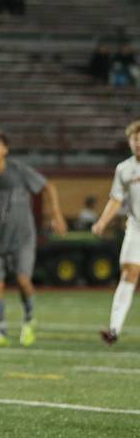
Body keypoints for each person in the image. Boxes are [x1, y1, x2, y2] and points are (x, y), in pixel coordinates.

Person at [0, 131, 67, 348]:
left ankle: (29, 320)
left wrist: (56, 216)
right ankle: (1, 331)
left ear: (5, 150)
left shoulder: (18, 170)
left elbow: (48, 186)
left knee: (22, 280)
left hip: (23, 238)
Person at [93, 120, 140, 345]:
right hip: (136, 228)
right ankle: (114, 329)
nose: (139, 143)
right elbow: (116, 199)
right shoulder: (124, 169)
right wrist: (102, 222)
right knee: (128, 273)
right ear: (130, 142)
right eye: (135, 139)